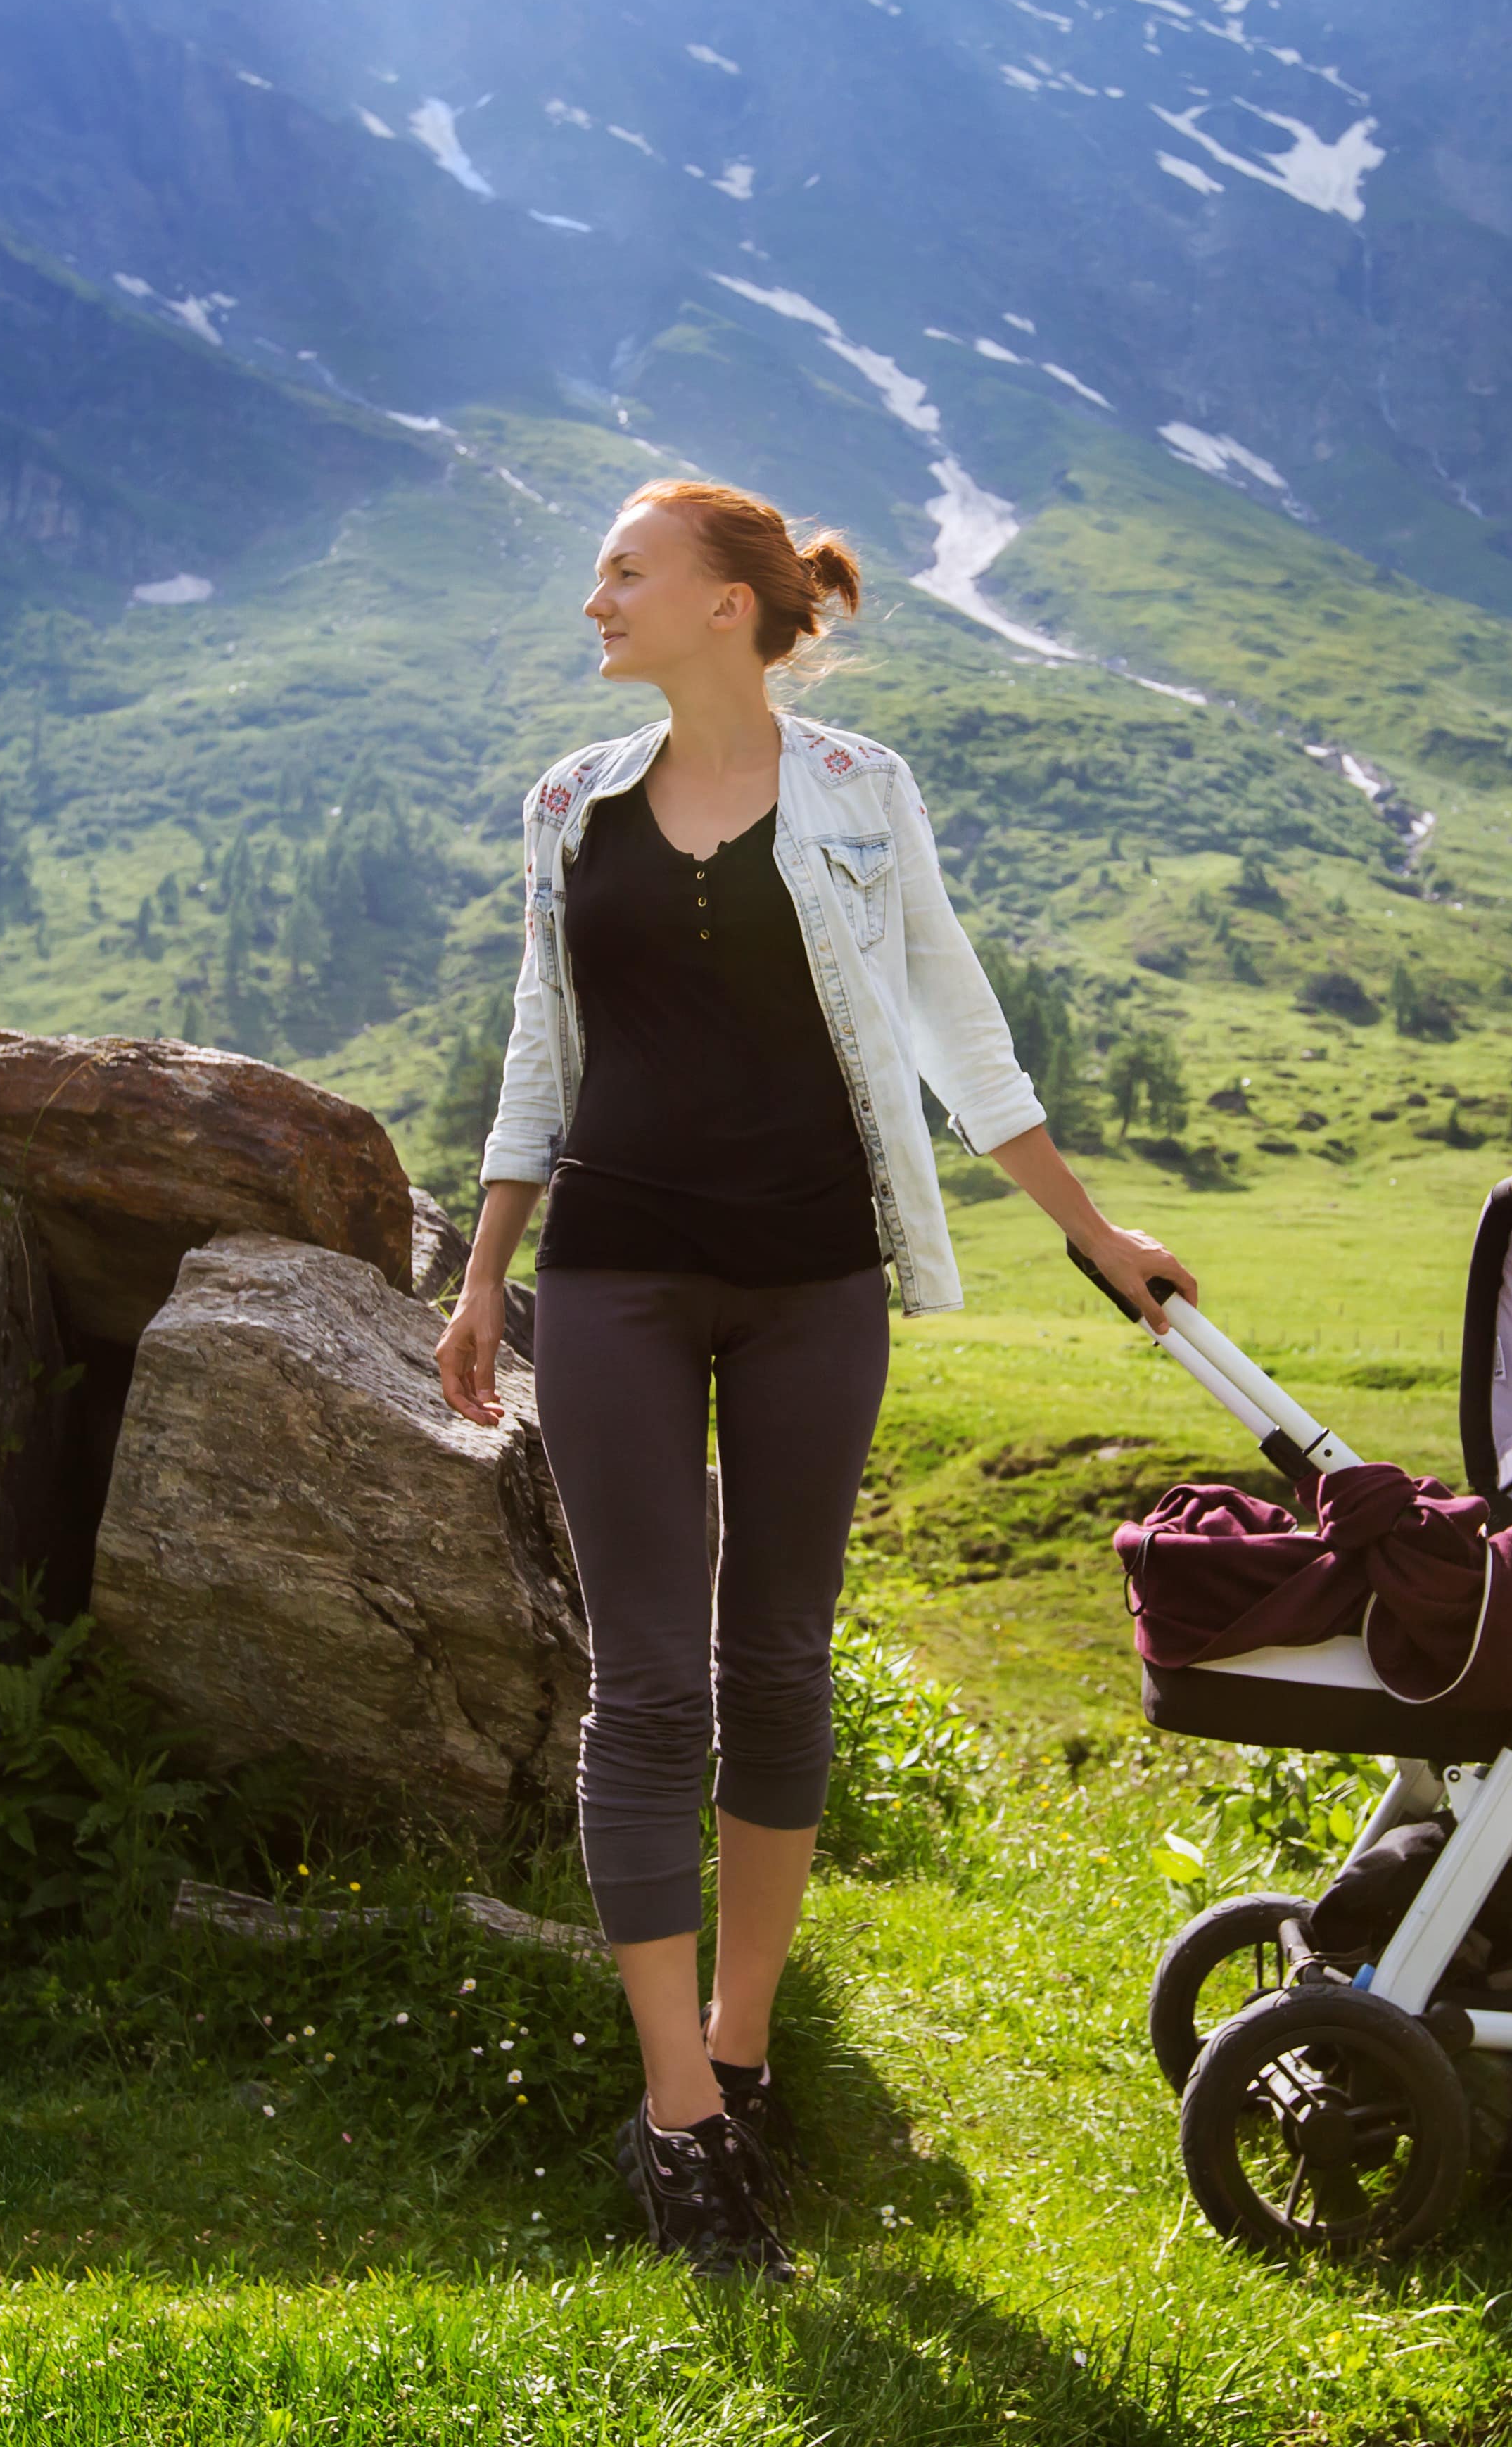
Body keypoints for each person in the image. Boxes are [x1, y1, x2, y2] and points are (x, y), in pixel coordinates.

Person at [433, 478, 1196, 2280]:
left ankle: (749, 2049)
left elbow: (953, 1019)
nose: (595, 599)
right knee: (645, 1684)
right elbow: (543, 1049)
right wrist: (480, 1271)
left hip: (814, 1284)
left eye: (625, 571)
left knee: (774, 1660)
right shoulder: (567, 807)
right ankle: (678, 2118)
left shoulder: (862, 792)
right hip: (609, 1277)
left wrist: (1090, 1231)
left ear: (725, 604)